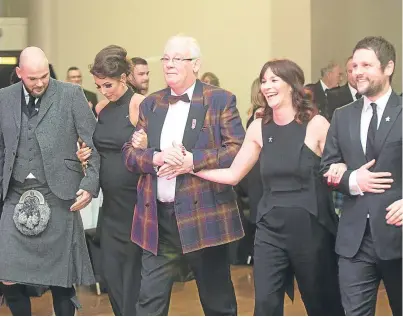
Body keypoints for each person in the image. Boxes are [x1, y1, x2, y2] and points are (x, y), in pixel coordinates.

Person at [192, 59, 344, 315]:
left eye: (274, 80)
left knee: (322, 304)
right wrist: (192, 167)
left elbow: (341, 163)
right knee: (265, 305)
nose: (267, 86)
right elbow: (233, 174)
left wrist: (341, 167)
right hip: (269, 230)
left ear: (292, 85)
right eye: (264, 81)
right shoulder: (258, 127)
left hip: (311, 229)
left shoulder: (316, 125)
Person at [123, 35, 245, 316]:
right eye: (165, 58)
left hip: (203, 216)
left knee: (218, 303)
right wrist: (156, 157)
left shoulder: (219, 100)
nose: (169, 64)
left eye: (177, 58)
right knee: (148, 303)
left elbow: (237, 149)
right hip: (158, 221)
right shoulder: (151, 104)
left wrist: (193, 161)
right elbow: (129, 154)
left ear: (196, 64)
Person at [0, 47, 100, 316]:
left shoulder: (71, 95)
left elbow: (94, 143)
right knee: (6, 272)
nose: (40, 83)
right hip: (13, 194)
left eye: (44, 76)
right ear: (20, 73)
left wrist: (90, 184)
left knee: (61, 278)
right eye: (32, 78)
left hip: (59, 194)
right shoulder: (3, 99)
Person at [321, 36, 402, 316]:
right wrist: (353, 180)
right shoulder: (342, 116)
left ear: (388, 67)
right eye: (354, 65)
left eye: (366, 64)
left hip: (398, 235)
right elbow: (327, 170)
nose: (357, 72)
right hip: (354, 242)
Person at [77, 45, 145, 316]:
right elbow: (96, 149)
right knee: (110, 274)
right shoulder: (103, 108)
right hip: (111, 207)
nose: (103, 91)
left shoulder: (138, 104)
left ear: (124, 78)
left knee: (132, 278)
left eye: (108, 85)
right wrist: (85, 154)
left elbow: (153, 151)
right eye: (98, 85)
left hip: (135, 206)